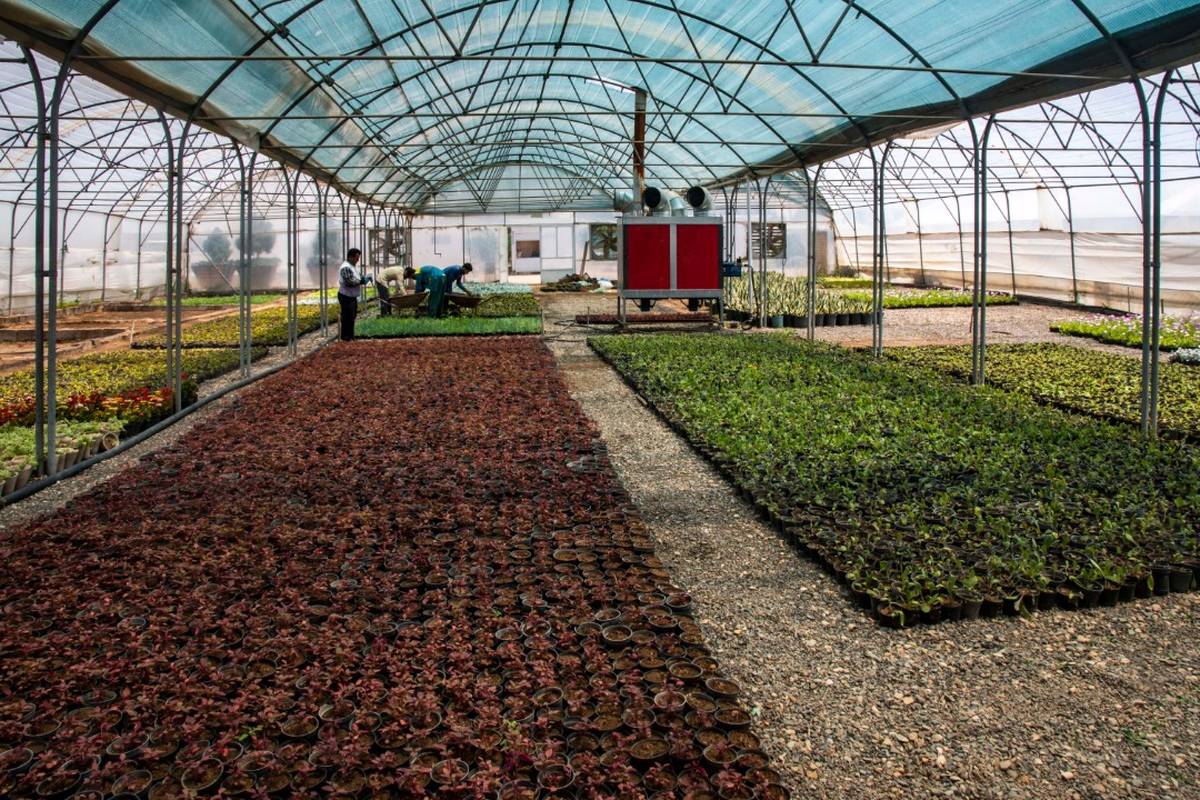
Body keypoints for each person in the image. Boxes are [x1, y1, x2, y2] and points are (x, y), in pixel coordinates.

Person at [337, 248, 369, 341]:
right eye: (356, 258)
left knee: (352, 316)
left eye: (358, 258)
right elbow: (349, 282)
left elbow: (356, 277)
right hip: (346, 296)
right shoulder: (346, 267)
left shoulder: (352, 266)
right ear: (350, 257)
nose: (358, 260)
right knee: (347, 317)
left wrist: (363, 278)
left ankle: (350, 336)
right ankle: (346, 337)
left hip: (351, 296)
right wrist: (362, 281)